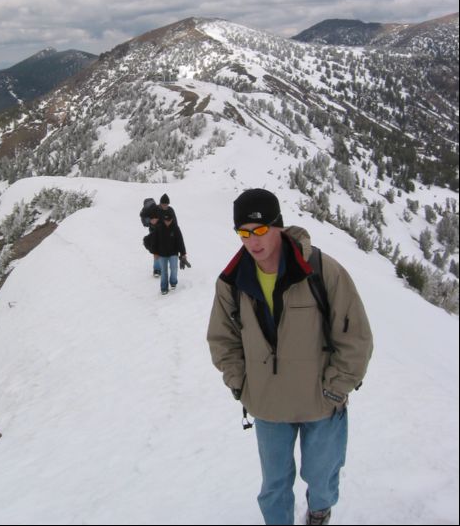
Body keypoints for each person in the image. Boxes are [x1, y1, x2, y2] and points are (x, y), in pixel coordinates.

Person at [207, 189, 373, 526]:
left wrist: (337, 387)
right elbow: (222, 339)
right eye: (244, 233)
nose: (253, 241)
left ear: (278, 226)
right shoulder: (232, 281)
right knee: (274, 485)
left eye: (260, 230)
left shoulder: (322, 271)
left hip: (321, 402)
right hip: (268, 403)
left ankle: (319, 510)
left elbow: (355, 335)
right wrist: (242, 385)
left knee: (321, 475)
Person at [147, 208, 189, 295]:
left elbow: (180, 241)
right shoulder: (159, 228)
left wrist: (183, 253)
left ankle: (173, 282)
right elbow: (154, 241)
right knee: (164, 271)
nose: (167, 222)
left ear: (172, 219)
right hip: (162, 254)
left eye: (169, 220)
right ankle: (164, 288)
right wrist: (155, 253)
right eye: (166, 220)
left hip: (173, 253)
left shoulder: (176, 228)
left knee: (174, 268)